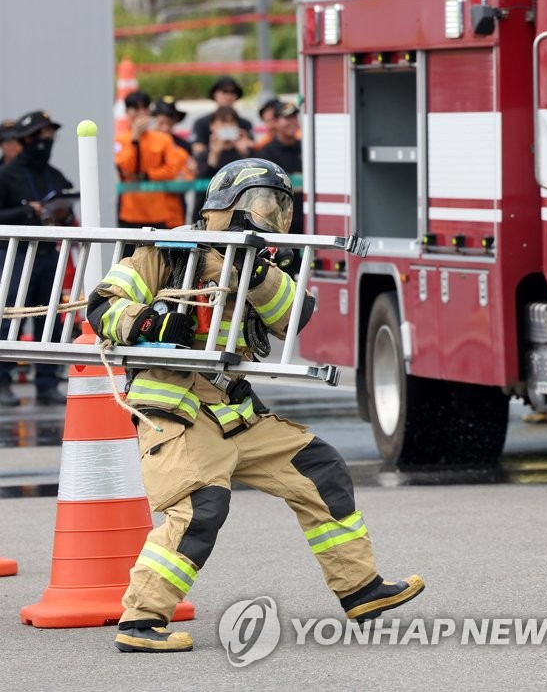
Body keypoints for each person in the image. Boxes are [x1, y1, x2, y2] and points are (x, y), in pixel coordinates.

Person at [86, 157, 424, 653]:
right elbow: (103, 306)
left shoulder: (262, 265)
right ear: (222, 204)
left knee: (320, 468)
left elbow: (293, 317)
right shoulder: (168, 249)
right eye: (259, 202)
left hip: (235, 412)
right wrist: (150, 323)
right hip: (178, 410)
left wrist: (255, 268)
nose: (267, 215)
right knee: (201, 508)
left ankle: (360, 590)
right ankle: (141, 621)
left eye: (277, 206)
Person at [0, 110, 73, 408]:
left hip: (48, 254)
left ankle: (46, 383)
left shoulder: (52, 173)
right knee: (12, 319)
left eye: (50, 136)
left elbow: (69, 201)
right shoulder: (4, 175)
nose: (46, 142)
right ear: (26, 139)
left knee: (49, 319)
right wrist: (26, 212)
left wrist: (61, 212)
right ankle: (0, 380)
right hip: (16, 253)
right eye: (40, 136)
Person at [115, 91, 191, 255]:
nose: (140, 113)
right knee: (127, 260)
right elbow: (126, 168)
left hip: (157, 212)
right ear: (127, 112)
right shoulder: (121, 140)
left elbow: (172, 170)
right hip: (130, 212)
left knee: (159, 264)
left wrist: (148, 175)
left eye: (144, 108)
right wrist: (135, 138)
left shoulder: (162, 139)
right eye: (135, 109)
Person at [257, 102, 304, 272]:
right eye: (286, 118)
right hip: (280, 230)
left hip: (306, 226)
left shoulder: (307, 149)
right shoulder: (266, 154)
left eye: (294, 117)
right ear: (275, 122)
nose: (292, 122)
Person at [191, 106, 256, 217]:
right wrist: (214, 154)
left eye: (231, 124)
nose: (227, 127)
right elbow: (201, 186)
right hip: (207, 215)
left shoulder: (247, 154)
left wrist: (246, 154)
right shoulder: (204, 154)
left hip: (240, 215)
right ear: (212, 126)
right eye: (223, 124)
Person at [150, 95, 197, 225]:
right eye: (161, 123)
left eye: (169, 122)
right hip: (148, 206)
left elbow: (188, 175)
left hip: (175, 208)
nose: (165, 128)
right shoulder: (145, 143)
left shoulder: (184, 146)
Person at [190, 76, 254, 157]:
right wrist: (215, 147)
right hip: (211, 165)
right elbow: (197, 149)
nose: (228, 96)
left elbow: (252, 147)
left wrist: (244, 148)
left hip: (238, 163)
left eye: (233, 92)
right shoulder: (201, 123)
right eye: (224, 91)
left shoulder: (245, 123)